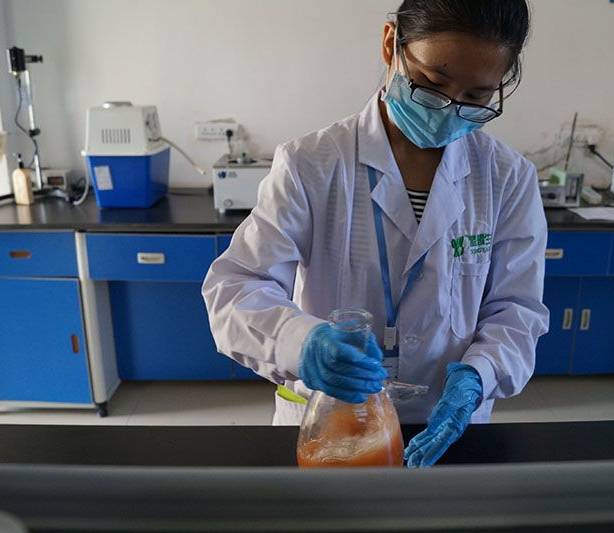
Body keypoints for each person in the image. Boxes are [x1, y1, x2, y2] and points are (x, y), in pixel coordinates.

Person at [202, 0, 548, 467]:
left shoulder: (506, 178)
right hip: (331, 420)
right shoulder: (312, 163)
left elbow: (517, 310)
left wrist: (480, 376)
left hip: (444, 424)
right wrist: (302, 343)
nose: (448, 108)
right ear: (391, 45)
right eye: (432, 84)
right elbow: (236, 288)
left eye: (476, 97)